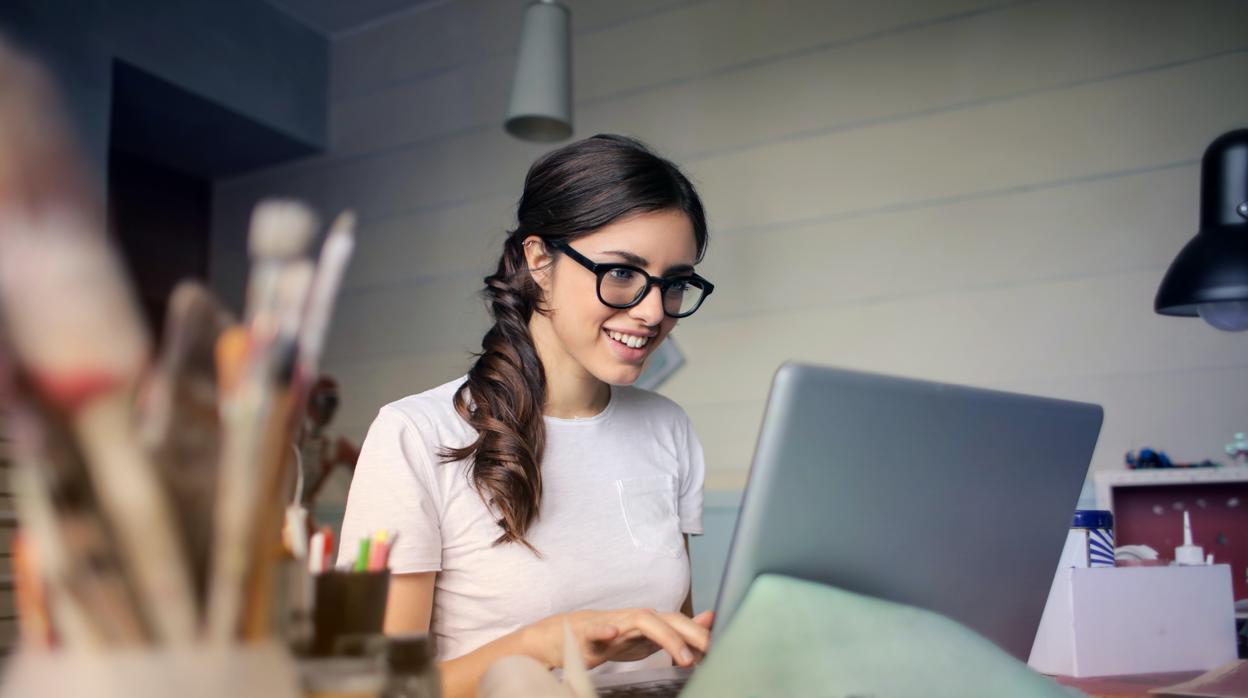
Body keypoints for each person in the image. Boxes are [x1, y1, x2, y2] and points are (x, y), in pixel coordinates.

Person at [339, 134, 716, 698]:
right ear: (540, 260)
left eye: (676, 283)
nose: (653, 311)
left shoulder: (668, 427)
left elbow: (676, 653)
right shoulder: (415, 434)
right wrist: (542, 644)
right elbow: (377, 690)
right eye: (621, 273)